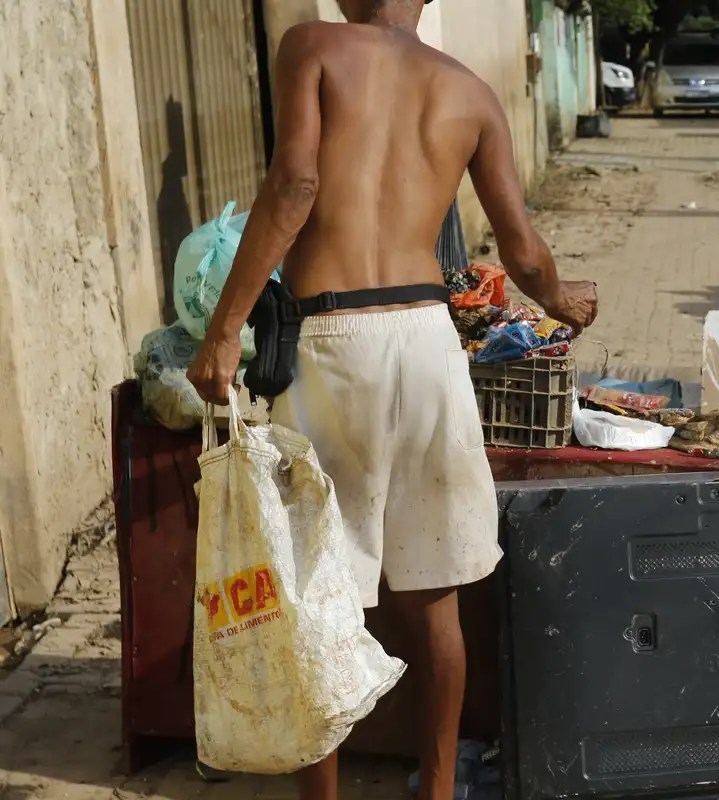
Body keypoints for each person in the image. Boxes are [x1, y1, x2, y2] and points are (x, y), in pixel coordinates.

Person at [185, 1, 598, 798]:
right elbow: (522, 252)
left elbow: (297, 180)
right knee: (433, 598)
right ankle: (438, 790)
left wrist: (226, 326)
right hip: (428, 343)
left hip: (334, 343)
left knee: (318, 591)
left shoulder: (312, 45)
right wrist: (564, 298)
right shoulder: (470, 92)